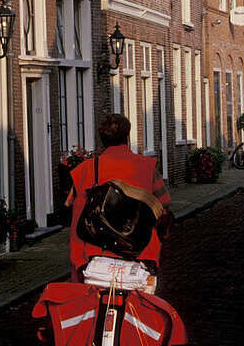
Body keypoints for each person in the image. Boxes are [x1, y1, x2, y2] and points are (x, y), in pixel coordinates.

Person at [66, 113, 172, 282]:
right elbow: (164, 209)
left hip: (94, 251)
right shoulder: (147, 167)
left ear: (102, 139)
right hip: (139, 251)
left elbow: (71, 207)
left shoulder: (85, 169)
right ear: (127, 137)